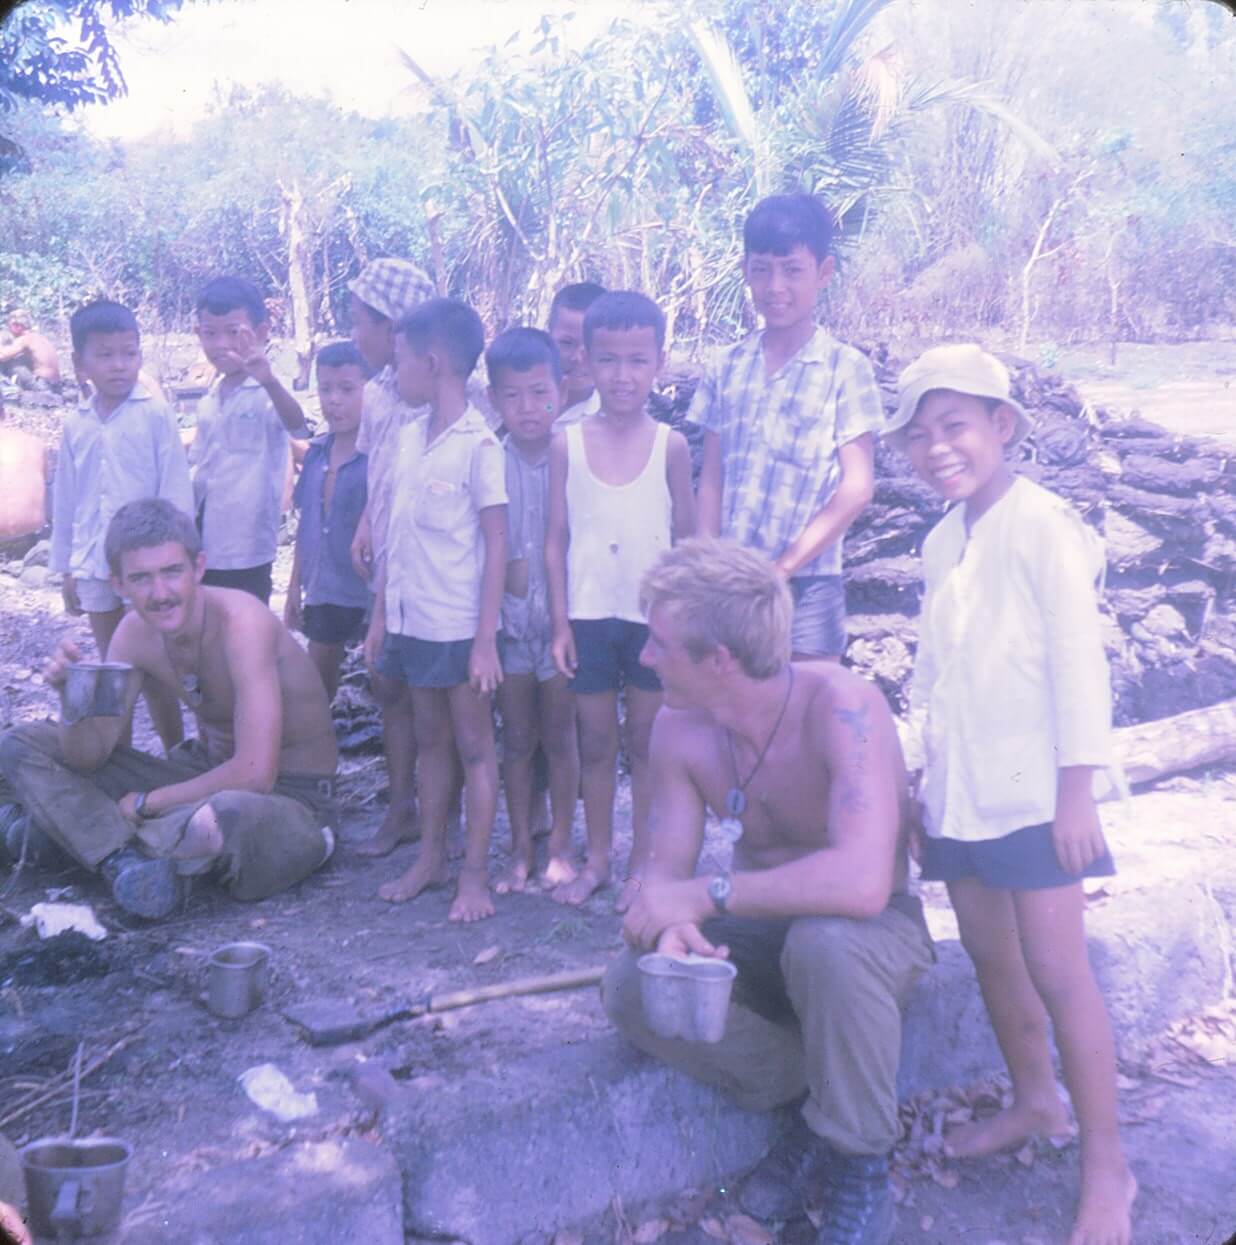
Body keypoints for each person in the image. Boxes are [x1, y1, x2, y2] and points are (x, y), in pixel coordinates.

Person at [604, 537, 934, 1245]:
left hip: (870, 933)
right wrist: (666, 927)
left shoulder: (844, 705)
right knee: (632, 983)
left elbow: (862, 883)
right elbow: (658, 872)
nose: (646, 658)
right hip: (771, 929)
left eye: (661, 644)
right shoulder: (679, 727)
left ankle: (858, 1159)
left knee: (827, 944)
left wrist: (706, 896)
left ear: (718, 659)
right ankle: (814, 1098)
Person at [889, 344, 1135, 1245]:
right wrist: (919, 784)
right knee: (993, 958)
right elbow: (931, 678)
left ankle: (1109, 1167)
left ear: (1002, 426)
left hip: (1038, 793)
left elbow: (1078, 662)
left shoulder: (1044, 525)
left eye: (954, 426)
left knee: (1059, 970)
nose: (937, 448)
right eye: (919, 435)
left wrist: (1079, 793)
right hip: (963, 790)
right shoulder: (938, 541)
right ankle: (1038, 1102)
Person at [0, 499, 338, 919]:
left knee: (218, 820)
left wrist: (145, 802)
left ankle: (62, 833)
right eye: (141, 578)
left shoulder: (242, 623)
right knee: (16, 744)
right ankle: (120, 860)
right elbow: (89, 756)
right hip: (202, 772)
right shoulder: (131, 635)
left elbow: (255, 773)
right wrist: (74, 704)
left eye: (171, 572)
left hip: (287, 797)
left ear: (198, 568)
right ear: (119, 585)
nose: (160, 594)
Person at [545, 291, 695, 907]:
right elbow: (555, 540)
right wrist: (559, 624)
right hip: (587, 617)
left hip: (650, 624)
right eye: (608, 360)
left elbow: (687, 544)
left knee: (647, 746)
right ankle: (599, 858)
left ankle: (644, 865)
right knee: (597, 743)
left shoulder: (671, 446)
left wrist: (679, 627)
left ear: (659, 362)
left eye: (637, 360)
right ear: (586, 359)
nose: (622, 375)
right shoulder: (567, 444)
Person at [691, 193, 884, 662]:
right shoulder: (727, 366)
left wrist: (782, 569)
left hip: (808, 586)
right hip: (732, 583)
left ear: (823, 273)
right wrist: (707, 565)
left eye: (792, 269)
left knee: (807, 719)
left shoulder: (845, 368)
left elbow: (857, 488)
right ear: (745, 272)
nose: (775, 286)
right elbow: (712, 476)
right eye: (762, 269)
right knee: (733, 717)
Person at [364, 299, 507, 922]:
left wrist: (485, 640)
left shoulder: (479, 445)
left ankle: (473, 874)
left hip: (457, 625)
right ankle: (431, 859)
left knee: (475, 746)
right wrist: (379, 616)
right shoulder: (405, 437)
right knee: (429, 741)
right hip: (409, 619)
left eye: (399, 360)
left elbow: (497, 546)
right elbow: (395, 537)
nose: (393, 373)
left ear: (433, 361)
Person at [346, 258, 437, 857]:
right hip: (385, 562)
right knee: (389, 683)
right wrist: (363, 523)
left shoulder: (446, 391)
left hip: (431, 565)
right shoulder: (376, 393)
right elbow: (374, 465)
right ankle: (401, 801)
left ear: (393, 326)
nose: (354, 334)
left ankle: (438, 810)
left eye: (361, 322)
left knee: (437, 695)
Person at [486, 327, 581, 893]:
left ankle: (563, 844)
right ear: (494, 399)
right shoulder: (488, 460)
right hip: (508, 630)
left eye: (540, 392)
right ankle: (521, 844)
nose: (528, 408)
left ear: (561, 392)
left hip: (563, 628)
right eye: (513, 395)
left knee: (561, 736)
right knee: (517, 739)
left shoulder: (575, 457)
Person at [51, 299, 193, 668]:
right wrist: (68, 568)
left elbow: (176, 489)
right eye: (105, 355)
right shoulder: (76, 424)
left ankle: (170, 729)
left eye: (128, 354)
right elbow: (66, 500)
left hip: (147, 563)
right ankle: (121, 727)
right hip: (94, 562)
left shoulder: (155, 414)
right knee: (113, 663)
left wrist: (179, 560)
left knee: (159, 664)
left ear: (140, 356)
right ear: (80, 365)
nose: (119, 365)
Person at [190, 276, 309, 604]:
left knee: (246, 624)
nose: (221, 344)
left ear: (260, 333)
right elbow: (200, 466)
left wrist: (269, 381)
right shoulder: (211, 397)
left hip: (247, 542)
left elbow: (298, 427)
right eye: (210, 333)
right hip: (203, 536)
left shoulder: (267, 389)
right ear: (198, 334)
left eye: (234, 332)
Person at [285, 341, 371, 701]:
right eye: (326, 389)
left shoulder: (378, 457)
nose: (334, 400)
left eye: (347, 389)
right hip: (323, 591)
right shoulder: (318, 453)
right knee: (316, 687)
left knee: (383, 687)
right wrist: (293, 587)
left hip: (367, 593)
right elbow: (307, 524)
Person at [546, 281, 606, 427]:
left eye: (591, 346)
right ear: (548, 337)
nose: (578, 358)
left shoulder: (610, 420)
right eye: (566, 343)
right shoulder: (520, 395)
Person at [0, 308, 61, 387]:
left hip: (43, 383)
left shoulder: (25, 339)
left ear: (17, 326)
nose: (9, 330)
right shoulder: (39, 337)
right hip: (56, 383)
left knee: (12, 363)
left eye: (10, 327)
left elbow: (2, 356)